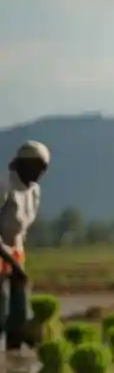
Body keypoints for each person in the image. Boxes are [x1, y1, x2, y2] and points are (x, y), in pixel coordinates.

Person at [0, 140, 49, 351]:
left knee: (19, 312)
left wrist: (18, 262)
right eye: (37, 167)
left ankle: (14, 357)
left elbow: (22, 229)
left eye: (43, 168)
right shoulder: (4, 185)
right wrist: (10, 260)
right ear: (22, 165)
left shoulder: (34, 191)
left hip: (16, 251)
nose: (40, 173)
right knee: (1, 306)